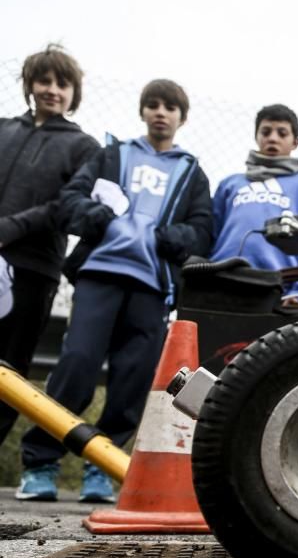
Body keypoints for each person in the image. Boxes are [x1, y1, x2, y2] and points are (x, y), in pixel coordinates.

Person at [16, 79, 212, 502]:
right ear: (143, 111)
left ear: (182, 117)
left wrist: (166, 238)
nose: (161, 112)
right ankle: (41, 462)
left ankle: (100, 468)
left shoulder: (193, 172)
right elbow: (70, 200)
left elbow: (201, 232)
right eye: (153, 105)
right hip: (100, 273)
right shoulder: (112, 154)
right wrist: (98, 217)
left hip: (151, 286)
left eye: (170, 107)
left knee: (132, 379)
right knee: (78, 363)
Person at [0, 44, 99, 447]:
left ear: (74, 92)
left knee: (10, 368)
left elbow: (66, 207)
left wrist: (10, 227)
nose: (52, 90)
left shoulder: (85, 146)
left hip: (33, 268)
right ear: (30, 85)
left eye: (62, 83)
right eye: (44, 80)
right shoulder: (4, 129)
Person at [209, 104, 298, 296]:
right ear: (256, 136)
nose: (273, 138)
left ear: (295, 142)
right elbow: (212, 232)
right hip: (222, 279)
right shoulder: (230, 183)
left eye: (282, 133)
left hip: (281, 285)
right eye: (266, 132)